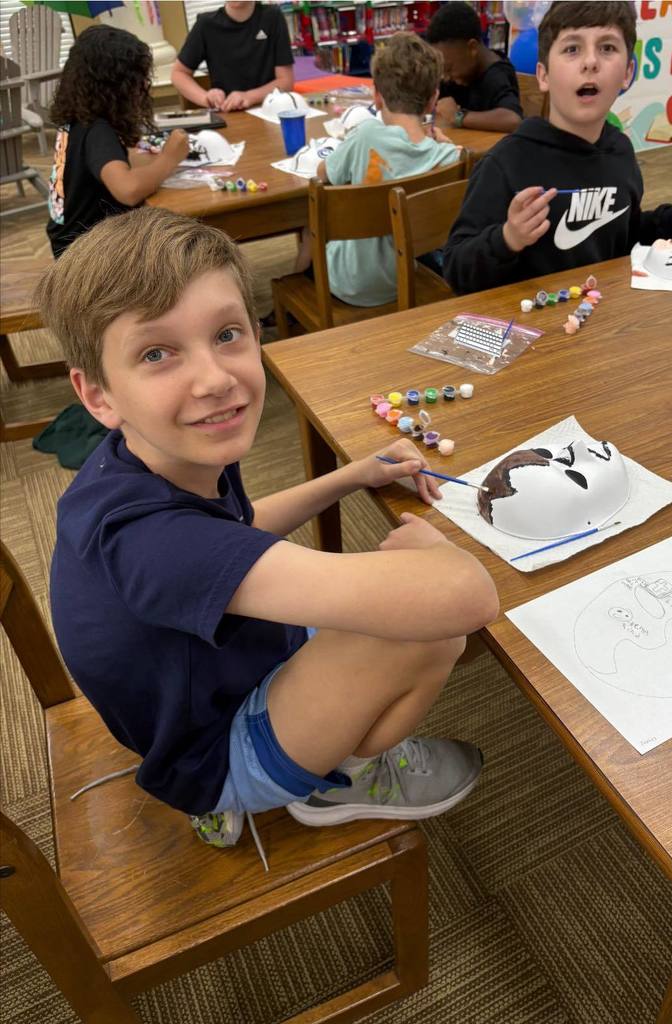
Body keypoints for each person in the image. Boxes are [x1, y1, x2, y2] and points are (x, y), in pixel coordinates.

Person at [36, 207, 499, 852]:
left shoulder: (151, 458)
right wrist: (433, 549)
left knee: (378, 600)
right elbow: (468, 598)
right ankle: (338, 782)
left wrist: (349, 476)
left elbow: (236, 532)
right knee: (429, 633)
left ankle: (318, 748)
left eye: (227, 335)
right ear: (99, 396)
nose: (215, 378)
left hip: (206, 680)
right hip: (210, 753)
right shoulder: (154, 542)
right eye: (157, 352)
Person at [442, 1, 672, 295]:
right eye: (572, 49)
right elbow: (456, 270)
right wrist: (507, 238)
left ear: (627, 73)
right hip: (533, 336)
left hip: (603, 326)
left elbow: (622, 235)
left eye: (607, 48)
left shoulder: (620, 151)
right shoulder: (506, 164)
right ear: (544, 75)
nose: (590, 62)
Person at [296, 31, 460, 307]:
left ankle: (297, 279)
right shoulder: (448, 157)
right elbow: (454, 156)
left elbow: (323, 174)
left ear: (377, 95)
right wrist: (446, 143)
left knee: (308, 219)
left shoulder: (365, 135)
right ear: (433, 99)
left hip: (346, 281)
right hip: (405, 278)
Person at [46, 25, 188, 259]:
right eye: (137, 79)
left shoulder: (77, 118)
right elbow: (128, 190)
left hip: (69, 241)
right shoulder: (97, 131)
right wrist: (169, 159)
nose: (143, 86)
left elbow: (100, 168)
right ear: (115, 86)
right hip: (90, 253)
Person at [171, 1, 294, 113]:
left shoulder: (273, 17)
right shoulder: (206, 24)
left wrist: (249, 96)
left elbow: (286, 82)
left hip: (268, 110)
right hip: (227, 115)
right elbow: (178, 73)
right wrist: (206, 98)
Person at [425, 1, 522, 135]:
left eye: (449, 68)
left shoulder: (496, 75)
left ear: (472, 48)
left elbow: (513, 120)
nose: (446, 77)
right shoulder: (461, 71)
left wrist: (458, 117)